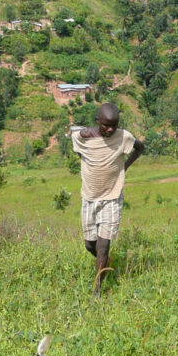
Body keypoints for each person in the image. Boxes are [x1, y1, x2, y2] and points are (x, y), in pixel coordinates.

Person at [68, 103, 144, 295]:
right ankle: (105, 262)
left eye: (114, 125)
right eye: (105, 126)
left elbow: (140, 147)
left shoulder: (123, 137)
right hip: (89, 198)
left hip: (112, 197)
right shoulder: (83, 139)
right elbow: (76, 137)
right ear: (98, 122)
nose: (110, 130)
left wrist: (124, 167)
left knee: (103, 246)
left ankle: (97, 291)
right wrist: (87, 132)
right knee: (90, 245)